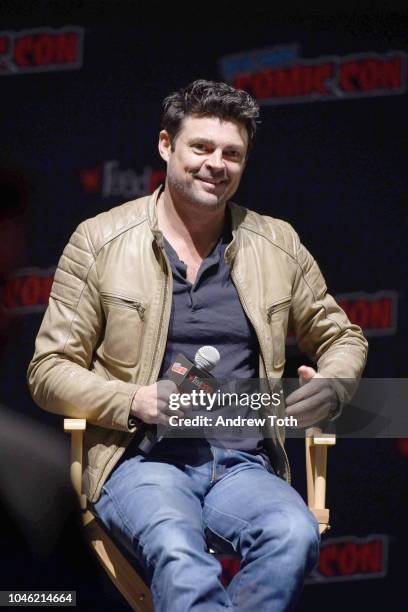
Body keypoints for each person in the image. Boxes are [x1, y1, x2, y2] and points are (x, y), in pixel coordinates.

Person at [28, 79, 368, 611]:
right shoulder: (99, 240)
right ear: (167, 146)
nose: (217, 164)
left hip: (244, 463)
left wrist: (336, 384)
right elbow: (48, 369)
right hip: (139, 460)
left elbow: (341, 335)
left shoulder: (277, 243)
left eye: (232, 153)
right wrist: (133, 399)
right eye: (202, 148)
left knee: (293, 535)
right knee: (178, 551)